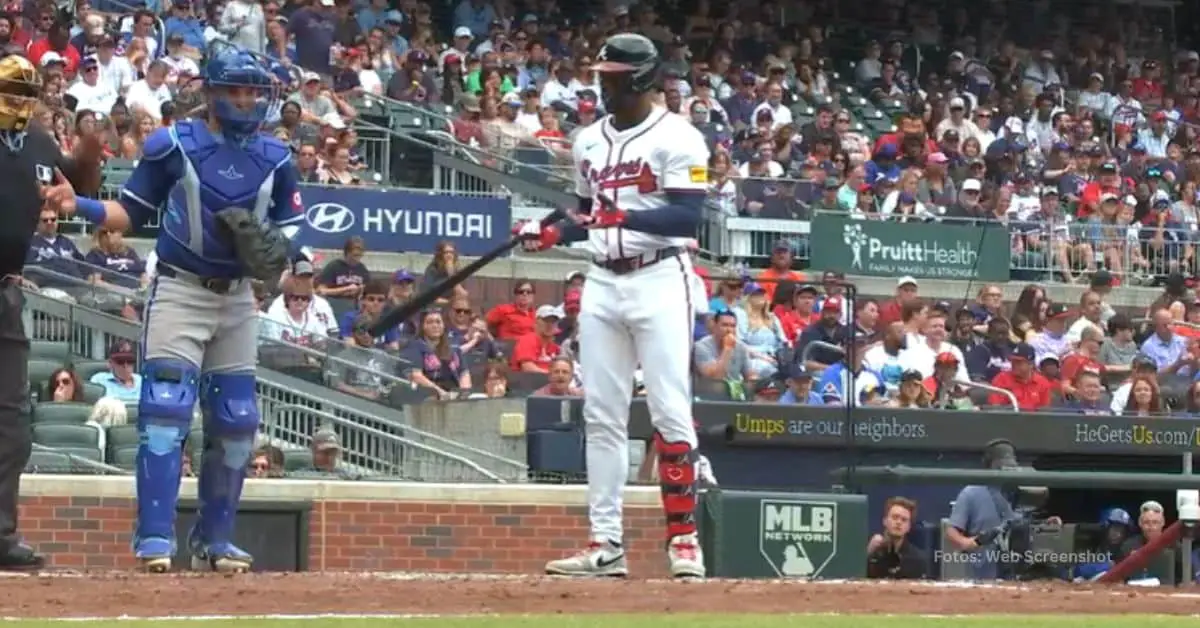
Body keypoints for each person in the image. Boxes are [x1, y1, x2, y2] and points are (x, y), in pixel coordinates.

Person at [48, 46, 305, 574]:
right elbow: (131, 211)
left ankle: (216, 539)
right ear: (210, 93)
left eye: (255, 91)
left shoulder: (278, 158)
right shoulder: (174, 146)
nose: (246, 99)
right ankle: (155, 538)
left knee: (237, 421)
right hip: (180, 287)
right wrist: (82, 206)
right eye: (235, 89)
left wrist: (283, 256)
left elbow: (291, 231)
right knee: (165, 413)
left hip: (237, 296)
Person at [518, 33, 708, 579]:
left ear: (643, 78)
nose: (604, 83)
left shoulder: (680, 137)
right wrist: (549, 230)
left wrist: (623, 219)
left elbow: (687, 217)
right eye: (602, 74)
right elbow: (584, 209)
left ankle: (683, 540)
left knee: (670, 410)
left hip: (660, 277)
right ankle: (605, 542)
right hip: (603, 279)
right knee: (601, 414)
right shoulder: (587, 140)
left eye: (615, 75)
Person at [0, 53, 108, 570]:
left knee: (11, 422)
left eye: (24, 94)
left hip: (6, 293)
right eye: (9, 92)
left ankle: (0, 536)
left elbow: (83, 187)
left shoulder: (40, 142)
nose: (16, 103)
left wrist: (88, 150)